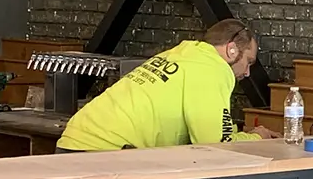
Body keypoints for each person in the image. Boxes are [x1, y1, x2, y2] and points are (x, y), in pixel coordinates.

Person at [57, 20, 278, 152]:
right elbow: (216, 146)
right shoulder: (213, 68)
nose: (247, 73)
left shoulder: (185, 53)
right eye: (248, 62)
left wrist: (241, 134)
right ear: (232, 50)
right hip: (104, 151)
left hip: (76, 139)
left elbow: (212, 130)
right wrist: (257, 138)